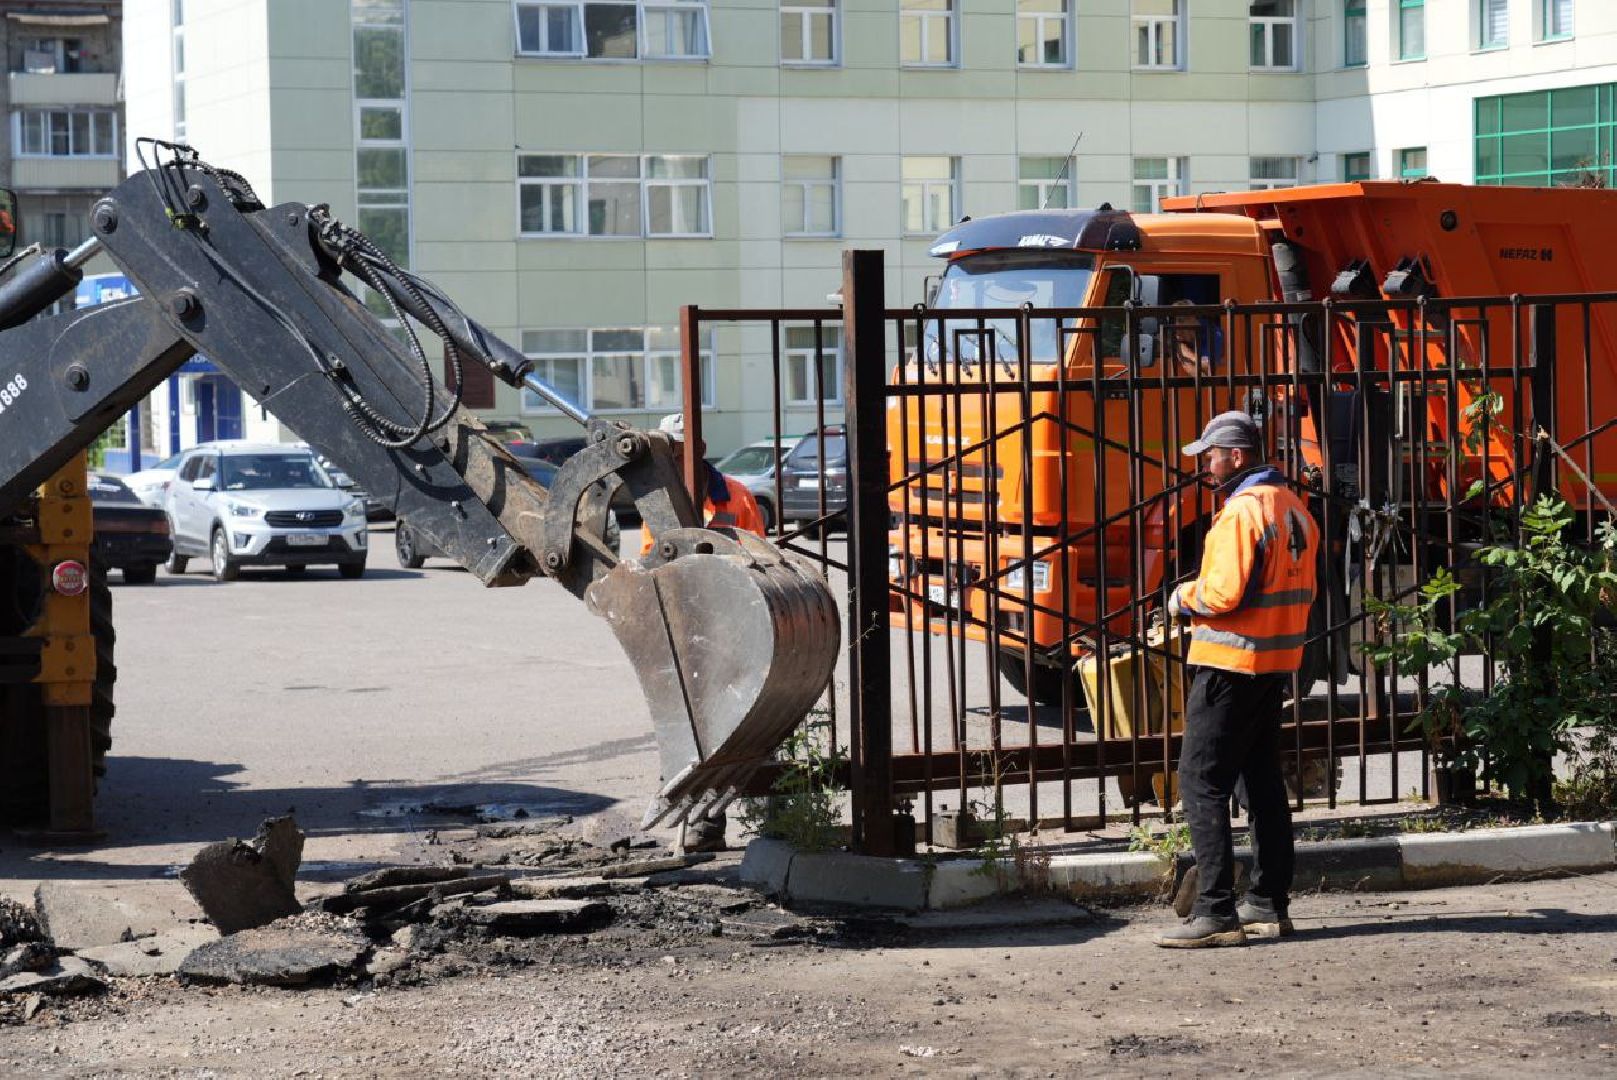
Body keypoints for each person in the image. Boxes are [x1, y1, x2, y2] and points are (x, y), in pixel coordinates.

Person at [1154, 409, 1318, 948]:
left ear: (1237, 456)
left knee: (1200, 781)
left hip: (1230, 667)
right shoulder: (1294, 508)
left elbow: (1221, 594)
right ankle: (1269, 903)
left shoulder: (1241, 513)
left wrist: (1181, 598)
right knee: (1262, 782)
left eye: (1211, 454)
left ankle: (1215, 911)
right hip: (1273, 665)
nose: (1205, 465)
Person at [638, 413, 767, 557]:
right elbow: (650, 559)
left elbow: (759, 555)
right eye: (665, 457)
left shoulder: (738, 496)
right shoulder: (659, 503)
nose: (670, 464)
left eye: (678, 456)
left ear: (701, 449)